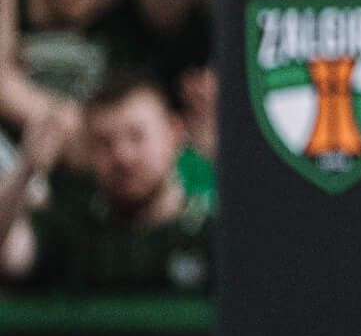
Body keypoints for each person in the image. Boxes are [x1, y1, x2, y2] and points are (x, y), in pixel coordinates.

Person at [0, 71, 213, 291]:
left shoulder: (213, 234)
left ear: (173, 134)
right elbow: (8, 255)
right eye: (104, 142)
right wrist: (26, 168)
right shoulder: (69, 230)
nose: (122, 156)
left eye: (137, 136)